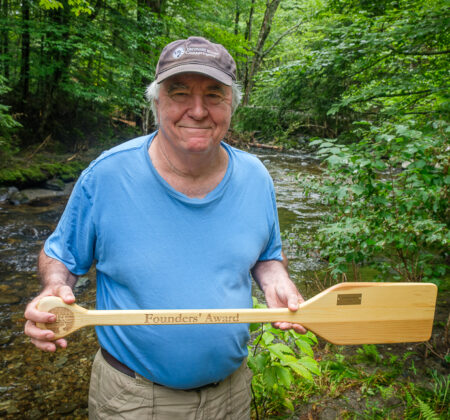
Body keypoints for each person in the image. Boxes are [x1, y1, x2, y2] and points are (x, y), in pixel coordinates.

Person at [24, 36, 306, 419]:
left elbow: (267, 256)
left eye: (214, 95)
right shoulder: (107, 175)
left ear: (231, 105)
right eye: (179, 93)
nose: (197, 110)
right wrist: (55, 287)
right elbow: (61, 257)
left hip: (232, 394)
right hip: (132, 400)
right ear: (157, 103)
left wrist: (277, 282)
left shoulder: (256, 178)